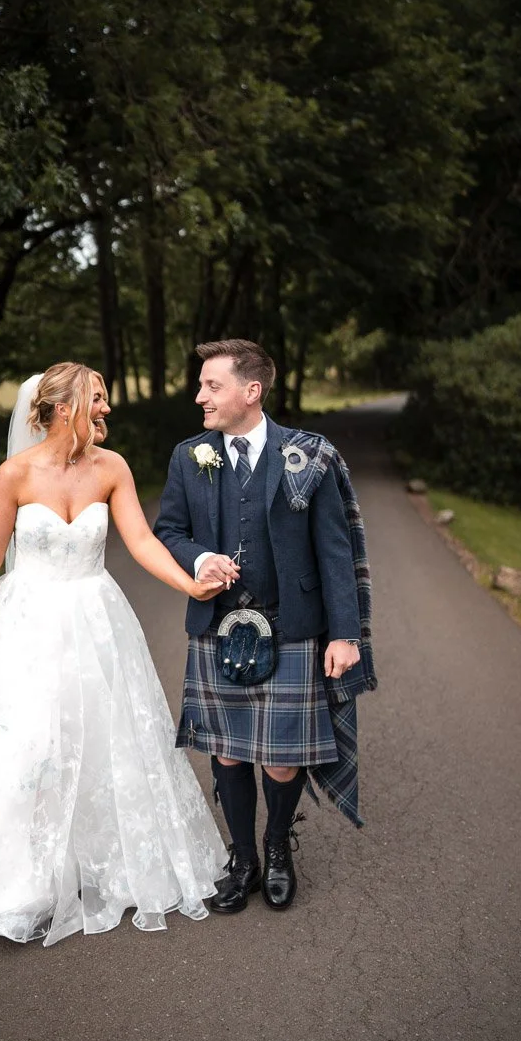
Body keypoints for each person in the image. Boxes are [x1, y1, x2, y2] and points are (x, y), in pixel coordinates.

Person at [0, 362, 228, 946]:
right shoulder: (14, 474)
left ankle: (104, 865)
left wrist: (189, 583)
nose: (107, 409)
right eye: (98, 399)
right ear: (64, 407)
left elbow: (141, 539)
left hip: (96, 620)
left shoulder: (112, 468)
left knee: (104, 738)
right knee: (27, 742)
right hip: (26, 624)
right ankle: (14, 879)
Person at [154, 339, 376, 914]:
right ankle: (242, 857)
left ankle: (277, 847)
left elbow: (334, 550)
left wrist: (346, 635)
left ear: (251, 392)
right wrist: (200, 559)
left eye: (212, 385)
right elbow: (169, 531)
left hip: (293, 626)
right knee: (226, 751)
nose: (199, 395)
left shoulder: (309, 456)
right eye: (201, 385)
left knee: (281, 755)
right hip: (218, 625)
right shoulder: (189, 455)